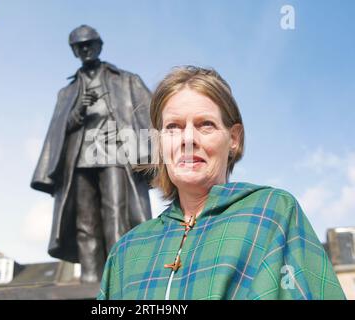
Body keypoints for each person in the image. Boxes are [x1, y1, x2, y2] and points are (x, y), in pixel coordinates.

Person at [97, 66, 346, 299]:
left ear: (234, 138)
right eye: (173, 127)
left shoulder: (273, 213)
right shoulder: (126, 251)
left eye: (206, 124)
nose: (188, 139)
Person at [31, 25, 152, 283]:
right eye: (79, 46)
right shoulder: (67, 92)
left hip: (113, 151)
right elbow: (58, 130)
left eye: (89, 44)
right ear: (74, 51)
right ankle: (89, 279)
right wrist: (76, 114)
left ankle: (121, 276)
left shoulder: (125, 79)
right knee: (84, 222)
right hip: (79, 159)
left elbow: (152, 113)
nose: (85, 49)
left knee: (116, 215)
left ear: (99, 45)